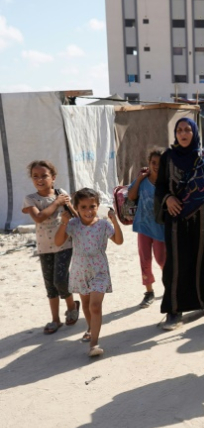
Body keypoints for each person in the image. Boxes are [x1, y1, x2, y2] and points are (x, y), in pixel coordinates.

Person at [155, 117, 204, 330]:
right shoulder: (168, 158)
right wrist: (168, 199)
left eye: (187, 130)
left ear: (194, 133)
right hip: (176, 221)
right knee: (176, 265)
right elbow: (161, 186)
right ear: (175, 134)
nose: (183, 133)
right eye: (179, 130)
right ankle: (174, 311)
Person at [54, 188, 124, 357]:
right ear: (76, 208)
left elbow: (119, 241)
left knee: (95, 306)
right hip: (79, 270)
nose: (88, 211)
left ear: (97, 206)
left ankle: (94, 343)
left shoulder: (103, 225)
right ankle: (90, 327)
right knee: (85, 305)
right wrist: (63, 222)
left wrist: (115, 221)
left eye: (92, 206)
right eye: (83, 207)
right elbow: (58, 242)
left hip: (99, 270)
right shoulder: (73, 225)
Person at [22, 160, 80, 334]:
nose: (40, 179)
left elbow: (74, 214)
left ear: (53, 178)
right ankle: (55, 319)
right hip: (44, 247)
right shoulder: (30, 199)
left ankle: (71, 306)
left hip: (64, 243)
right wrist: (56, 203)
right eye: (35, 176)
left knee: (60, 279)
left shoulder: (60, 193)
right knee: (50, 285)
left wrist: (70, 208)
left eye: (44, 175)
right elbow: (39, 217)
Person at [127, 147, 166, 308]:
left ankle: (169, 286)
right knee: (145, 260)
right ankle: (149, 292)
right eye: (153, 162)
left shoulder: (167, 182)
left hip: (159, 229)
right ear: (148, 163)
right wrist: (139, 179)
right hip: (143, 226)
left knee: (162, 259)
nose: (156, 166)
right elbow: (131, 196)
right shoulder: (143, 181)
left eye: (160, 163)